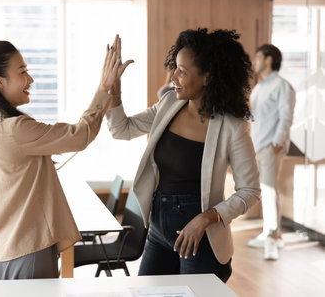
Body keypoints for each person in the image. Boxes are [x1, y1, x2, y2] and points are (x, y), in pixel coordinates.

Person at [0, 38, 132, 280]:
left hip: (6, 246)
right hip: (27, 248)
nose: (30, 79)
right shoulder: (15, 128)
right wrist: (105, 86)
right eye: (23, 72)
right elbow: (81, 134)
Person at [105, 29, 260, 282]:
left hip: (201, 235)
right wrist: (113, 89)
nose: (173, 77)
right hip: (158, 228)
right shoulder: (168, 104)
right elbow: (122, 129)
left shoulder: (232, 126)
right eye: (174, 68)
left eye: (182, 71)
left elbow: (250, 191)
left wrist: (205, 218)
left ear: (207, 78)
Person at [247, 44, 296, 260]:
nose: (255, 62)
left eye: (258, 57)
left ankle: (272, 239)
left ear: (268, 60)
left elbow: (286, 116)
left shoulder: (281, 86)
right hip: (258, 146)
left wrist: (276, 142)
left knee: (268, 190)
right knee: (265, 190)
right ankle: (271, 233)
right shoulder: (259, 87)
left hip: (270, 146)